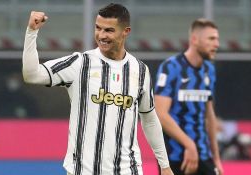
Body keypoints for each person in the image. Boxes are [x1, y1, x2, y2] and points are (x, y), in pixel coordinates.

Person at [22, 3, 173, 175]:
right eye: (98, 28)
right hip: (83, 171)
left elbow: (150, 119)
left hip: (127, 170)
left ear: (126, 31)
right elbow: (32, 75)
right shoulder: (80, 64)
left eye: (108, 30)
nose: (101, 35)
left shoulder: (140, 71)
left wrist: (165, 165)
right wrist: (31, 32)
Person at [154, 18, 223, 175]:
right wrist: (189, 145)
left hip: (203, 155)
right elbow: (161, 114)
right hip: (174, 156)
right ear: (194, 40)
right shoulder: (171, 67)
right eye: (211, 38)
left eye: (217, 39)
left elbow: (209, 116)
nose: (217, 44)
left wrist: (217, 158)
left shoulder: (209, 70)